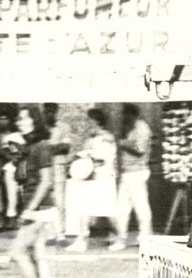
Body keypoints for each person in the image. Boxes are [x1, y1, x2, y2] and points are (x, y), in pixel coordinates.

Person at [9, 110, 57, 278]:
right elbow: (21, 179)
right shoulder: (28, 147)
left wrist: (30, 209)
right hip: (36, 207)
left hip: (39, 209)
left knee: (18, 252)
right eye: (18, 119)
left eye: (25, 119)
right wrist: (17, 158)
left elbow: (47, 181)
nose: (20, 123)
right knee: (38, 257)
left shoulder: (42, 146)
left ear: (36, 121)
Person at [65, 108, 118, 253]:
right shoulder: (92, 137)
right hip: (92, 178)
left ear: (95, 121)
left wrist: (88, 155)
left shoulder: (106, 137)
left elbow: (103, 158)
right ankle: (82, 240)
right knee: (84, 208)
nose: (87, 124)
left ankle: (119, 236)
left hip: (104, 177)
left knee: (108, 210)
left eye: (89, 120)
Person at [110, 104, 153, 251]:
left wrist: (123, 145)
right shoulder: (131, 127)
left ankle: (146, 238)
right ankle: (121, 238)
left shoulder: (141, 128)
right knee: (122, 208)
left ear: (131, 114)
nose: (123, 118)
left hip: (137, 171)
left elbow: (140, 150)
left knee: (140, 207)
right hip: (128, 172)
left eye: (125, 114)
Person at [42, 103, 72, 243]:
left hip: (59, 166)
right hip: (44, 168)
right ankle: (49, 234)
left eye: (52, 111)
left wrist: (48, 149)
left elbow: (65, 148)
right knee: (46, 201)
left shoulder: (63, 127)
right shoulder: (40, 128)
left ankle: (61, 233)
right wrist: (55, 147)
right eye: (47, 111)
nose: (49, 114)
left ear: (56, 112)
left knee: (60, 201)